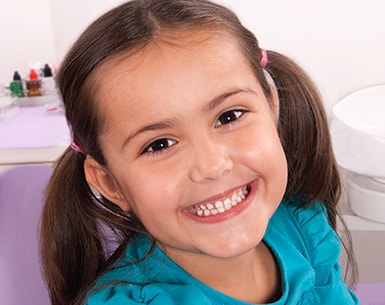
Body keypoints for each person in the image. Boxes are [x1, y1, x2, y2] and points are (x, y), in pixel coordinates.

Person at [40, 0, 359, 304]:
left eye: (229, 116)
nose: (212, 165)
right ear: (110, 183)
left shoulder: (303, 223)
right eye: (159, 144)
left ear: (271, 105)